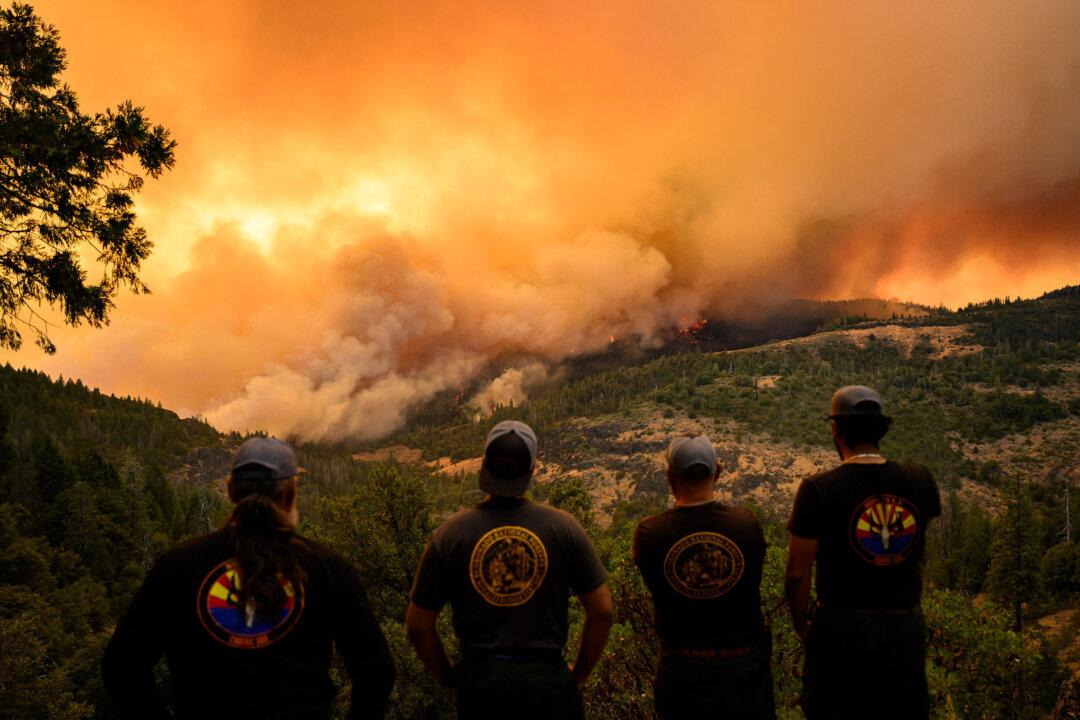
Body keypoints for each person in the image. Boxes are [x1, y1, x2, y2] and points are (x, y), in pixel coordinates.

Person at [102, 437, 395, 719]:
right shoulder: (326, 566)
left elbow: (122, 666)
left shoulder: (179, 564)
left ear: (231, 491)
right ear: (290, 492)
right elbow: (376, 670)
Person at [406, 420, 614, 719]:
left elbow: (418, 625)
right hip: (547, 688)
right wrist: (580, 673)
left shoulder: (450, 535)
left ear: (483, 464)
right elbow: (603, 611)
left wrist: (448, 676)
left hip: (481, 691)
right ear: (532, 470)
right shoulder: (563, 528)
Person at [785, 386, 941, 720]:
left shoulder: (818, 489)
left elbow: (797, 574)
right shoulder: (920, 481)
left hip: (841, 627)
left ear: (836, 430)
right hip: (904, 626)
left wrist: (802, 626)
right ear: (882, 429)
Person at [633, 434, 775, 720]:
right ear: (717, 472)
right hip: (744, 669)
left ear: (669, 477)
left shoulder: (650, 533)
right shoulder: (747, 525)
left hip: (682, 669)